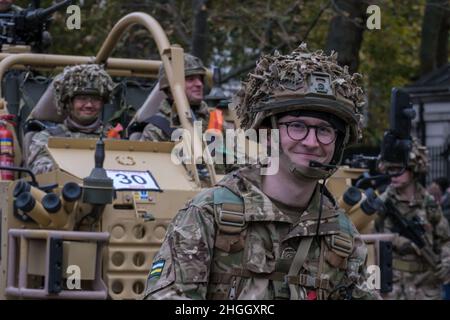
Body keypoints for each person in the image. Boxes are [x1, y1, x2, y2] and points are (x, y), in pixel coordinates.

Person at [143, 43, 379, 300]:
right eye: (297, 126)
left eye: (324, 130)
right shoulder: (209, 214)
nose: (312, 142)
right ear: (268, 133)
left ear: (338, 142)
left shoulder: (343, 237)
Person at [376, 138, 450, 299]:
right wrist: (396, 241)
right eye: (390, 169)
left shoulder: (429, 203)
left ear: (413, 170)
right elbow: (368, 240)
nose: (393, 174)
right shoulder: (382, 203)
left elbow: (445, 239)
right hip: (393, 285)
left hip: (424, 286)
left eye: (399, 169)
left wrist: (446, 261)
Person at [27, 64, 115, 175]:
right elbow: (39, 171)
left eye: (96, 99)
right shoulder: (48, 138)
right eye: (82, 99)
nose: (89, 105)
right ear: (69, 103)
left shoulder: (113, 137)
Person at [140, 53, 210, 142]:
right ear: (170, 88)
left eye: (200, 79)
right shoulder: (156, 130)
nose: (199, 84)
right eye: (190, 79)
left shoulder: (214, 120)